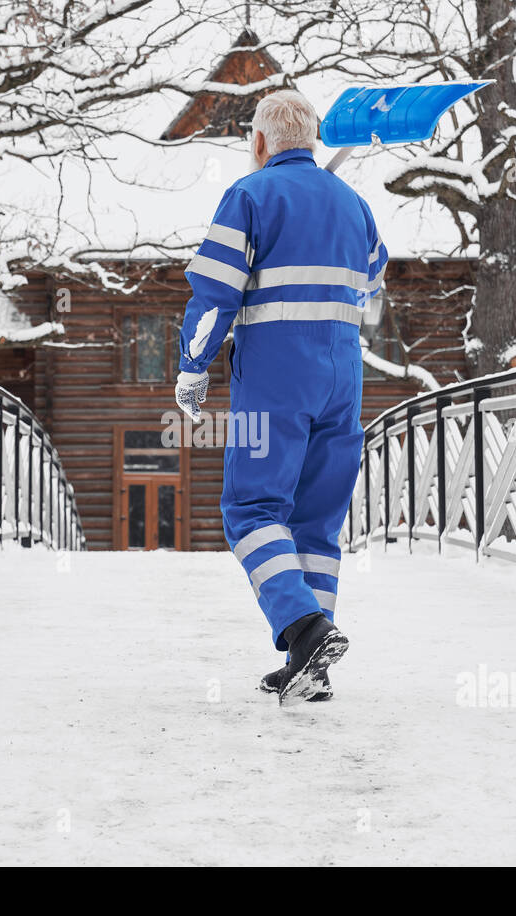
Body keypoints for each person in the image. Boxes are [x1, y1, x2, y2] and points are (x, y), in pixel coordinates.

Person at [173, 90, 387, 706]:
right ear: (313, 141)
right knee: (316, 523)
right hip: (343, 377)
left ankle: (304, 625)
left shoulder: (249, 196)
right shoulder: (355, 204)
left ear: (261, 143)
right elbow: (373, 274)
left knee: (251, 511)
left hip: (274, 379)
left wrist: (192, 366)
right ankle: (309, 664)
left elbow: (214, 294)